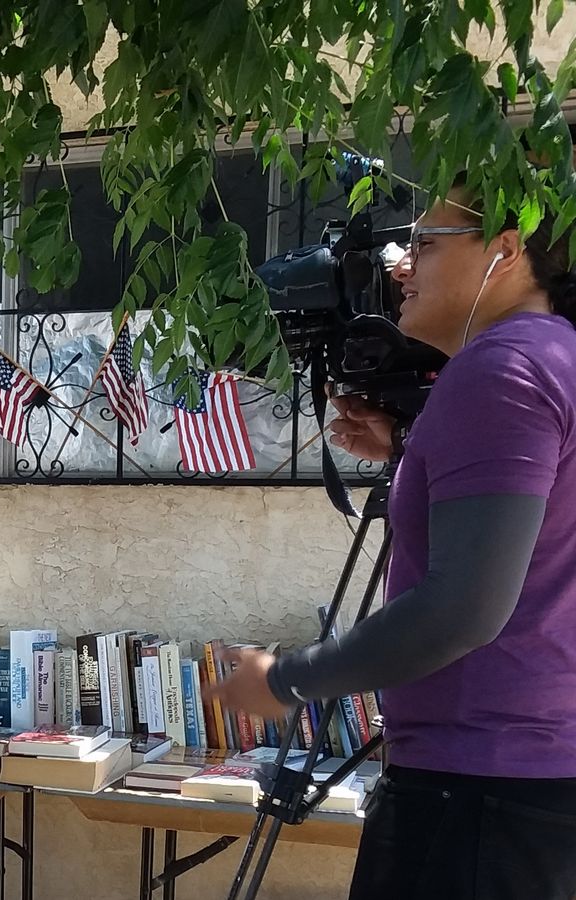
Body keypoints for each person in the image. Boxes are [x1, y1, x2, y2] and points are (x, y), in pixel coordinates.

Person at [213, 178, 576, 899]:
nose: (400, 265)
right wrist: (413, 447)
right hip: (532, 784)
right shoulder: (555, 355)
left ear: (505, 251)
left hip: (475, 791)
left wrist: (285, 681)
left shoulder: (500, 368)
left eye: (425, 243)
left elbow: (463, 609)